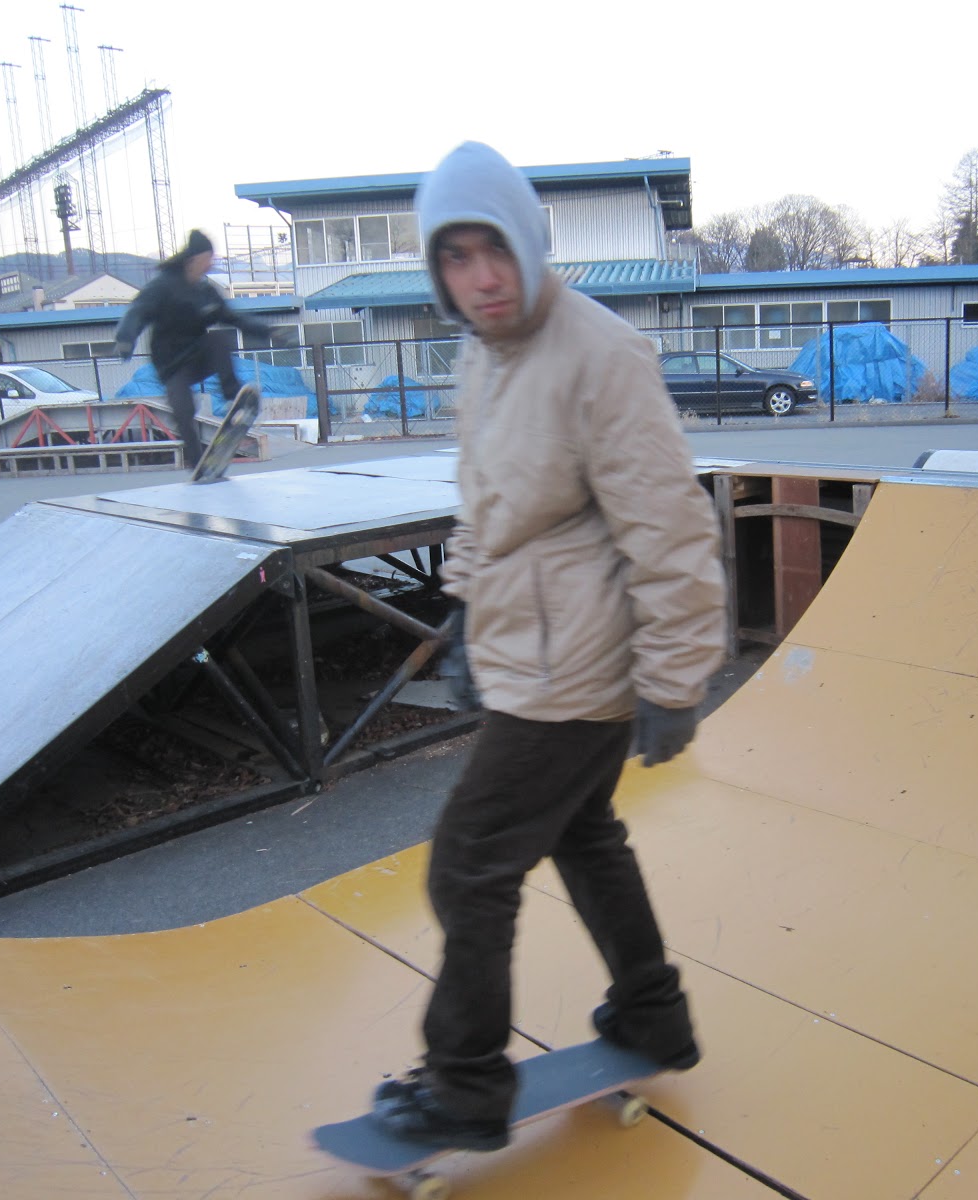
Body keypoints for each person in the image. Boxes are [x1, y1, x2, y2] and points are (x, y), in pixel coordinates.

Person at [371, 142, 727, 1150]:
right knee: (582, 832)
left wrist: (674, 678)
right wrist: (463, 614)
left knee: (468, 865)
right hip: (529, 646)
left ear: (530, 247)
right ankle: (654, 1014)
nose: (481, 278)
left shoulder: (600, 354)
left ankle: (465, 1084)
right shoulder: (483, 356)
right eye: (456, 258)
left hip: (579, 668)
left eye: (496, 252)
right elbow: (486, 508)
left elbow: (669, 526)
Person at [113, 229, 282, 468]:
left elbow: (233, 318)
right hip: (172, 366)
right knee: (184, 410)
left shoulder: (205, 292)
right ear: (195, 258)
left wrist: (267, 331)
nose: (211, 264)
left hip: (197, 357)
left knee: (219, 340)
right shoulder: (162, 287)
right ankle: (196, 461)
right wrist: (125, 338)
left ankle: (232, 400)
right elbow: (137, 311)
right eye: (208, 258)